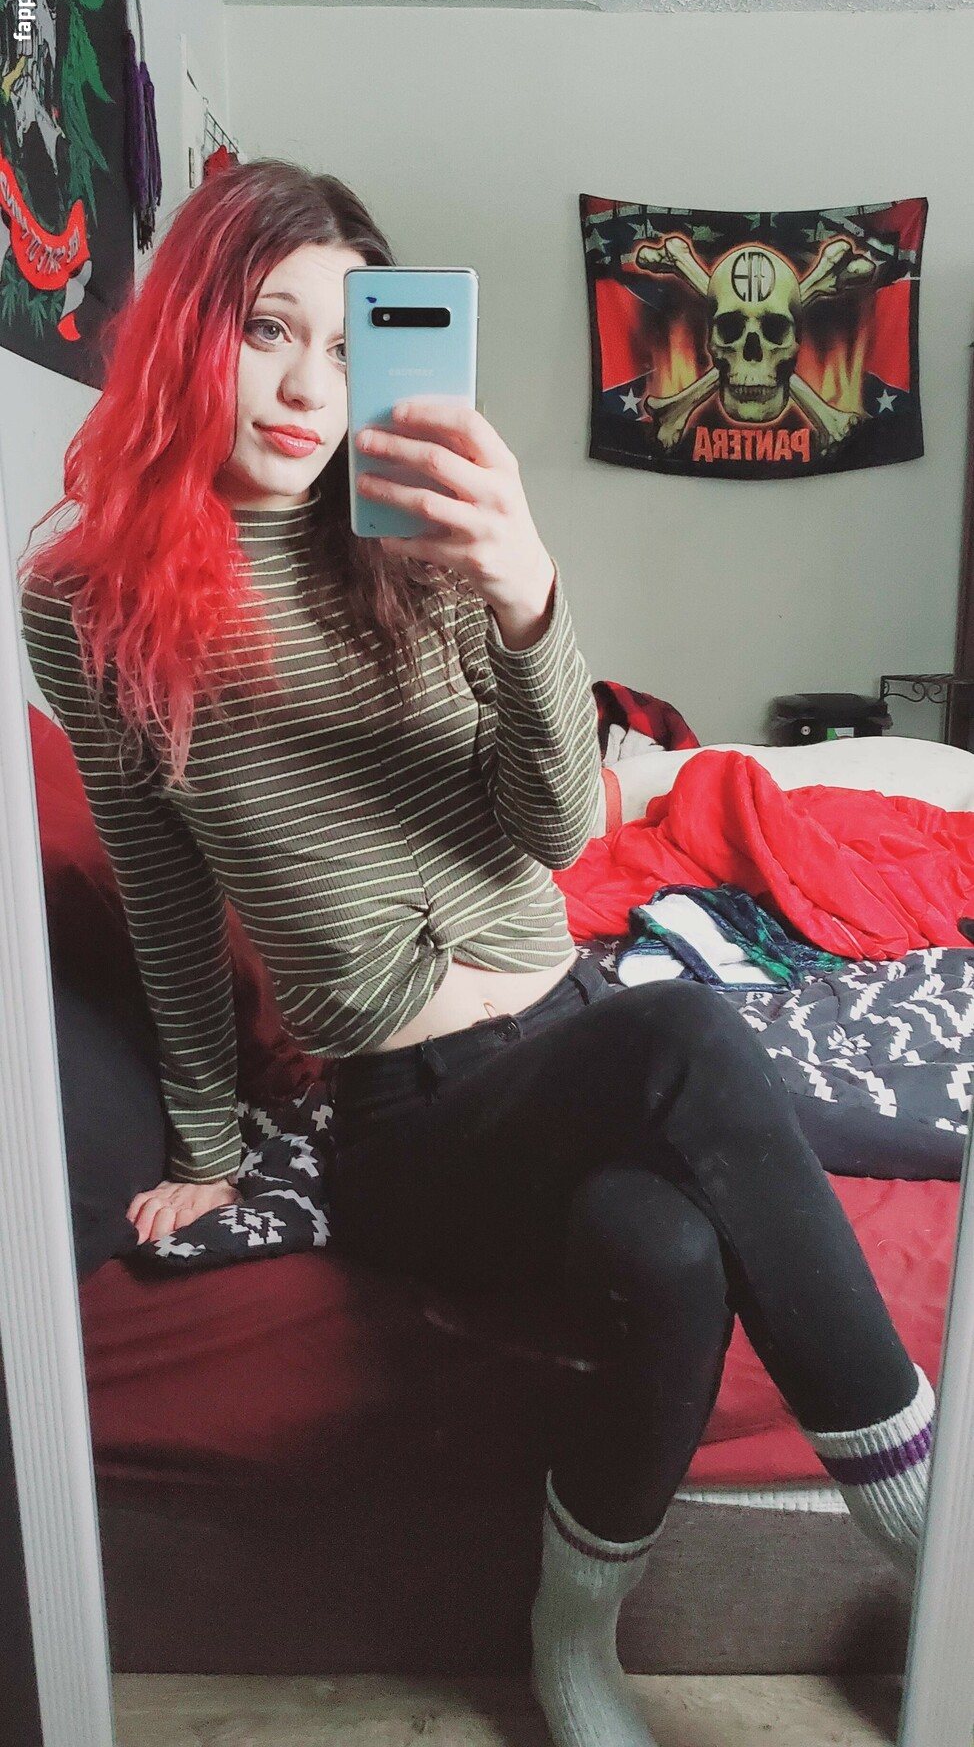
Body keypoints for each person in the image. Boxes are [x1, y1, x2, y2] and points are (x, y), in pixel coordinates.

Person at [20, 159, 935, 1747]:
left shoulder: (420, 538)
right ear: (184, 332)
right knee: (692, 1035)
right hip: (415, 1119)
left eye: (352, 343)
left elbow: (561, 828)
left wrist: (525, 603)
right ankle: (935, 1541)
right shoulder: (87, 608)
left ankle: (569, 1640)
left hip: (572, 1029)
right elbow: (159, 891)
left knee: (666, 1252)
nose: (311, 387)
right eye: (265, 329)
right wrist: (207, 1144)